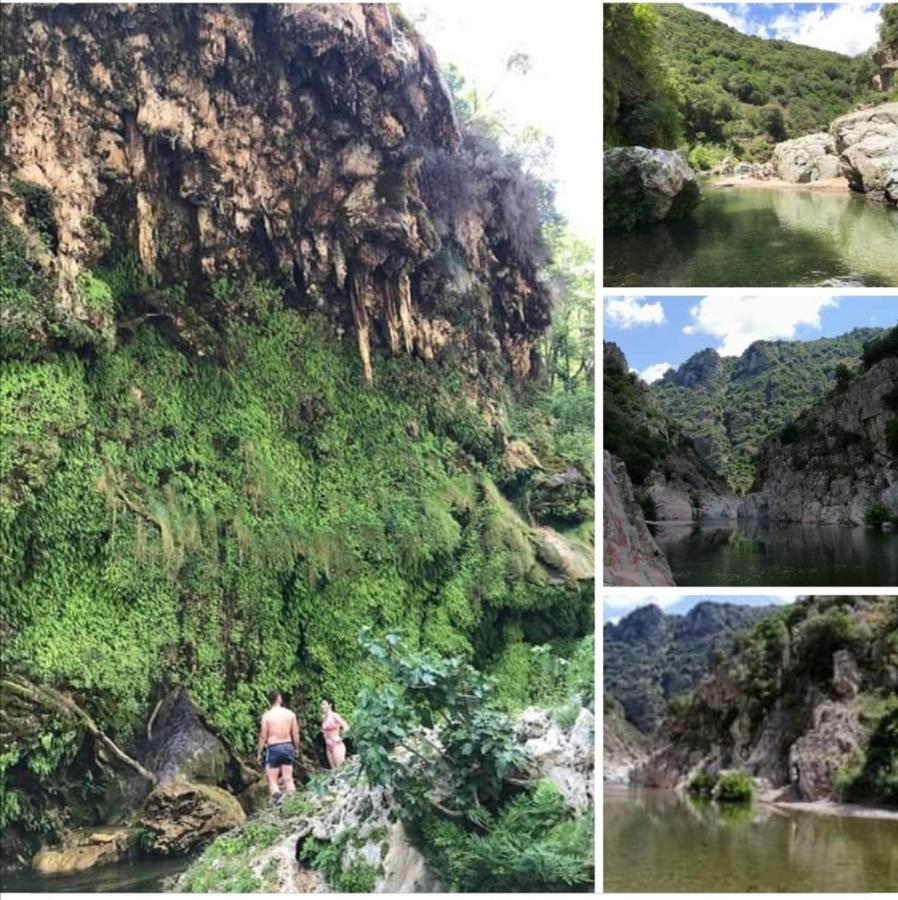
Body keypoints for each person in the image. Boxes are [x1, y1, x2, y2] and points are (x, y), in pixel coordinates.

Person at [256, 690, 299, 800]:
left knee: (272, 779)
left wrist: (259, 753)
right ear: (279, 698)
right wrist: (296, 748)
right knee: (288, 778)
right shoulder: (290, 714)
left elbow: (263, 736)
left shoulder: (267, 716)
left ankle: (278, 801)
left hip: (274, 748)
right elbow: (295, 733)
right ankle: (294, 801)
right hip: (288, 746)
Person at [320, 697, 349, 768]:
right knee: (333, 770)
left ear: (330, 705)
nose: (322, 706)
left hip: (336, 744)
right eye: (321, 704)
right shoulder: (323, 717)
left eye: (324, 704)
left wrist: (341, 738)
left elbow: (346, 727)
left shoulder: (334, 716)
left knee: (340, 769)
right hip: (328, 745)